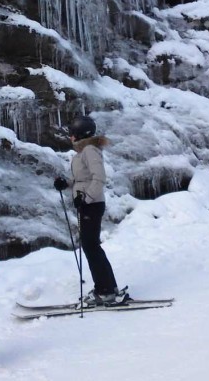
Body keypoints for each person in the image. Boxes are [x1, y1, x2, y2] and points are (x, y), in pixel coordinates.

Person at [54, 115, 128, 307]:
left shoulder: (89, 150)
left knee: (91, 247)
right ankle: (108, 288)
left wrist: (85, 198)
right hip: (88, 203)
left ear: (79, 134)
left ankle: (104, 291)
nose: (70, 137)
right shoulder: (84, 152)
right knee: (92, 246)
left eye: (72, 133)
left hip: (91, 205)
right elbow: (83, 179)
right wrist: (67, 183)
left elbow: (99, 178)